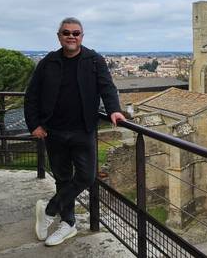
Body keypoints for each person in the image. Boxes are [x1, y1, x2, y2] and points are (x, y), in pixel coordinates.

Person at [24, 17, 125, 246]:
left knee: (86, 176)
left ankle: (49, 209)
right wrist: (34, 125)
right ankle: (67, 224)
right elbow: (32, 96)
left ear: (82, 36)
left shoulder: (94, 60)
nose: (71, 36)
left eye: (76, 33)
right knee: (62, 178)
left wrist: (114, 110)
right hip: (55, 131)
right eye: (66, 33)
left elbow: (107, 87)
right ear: (59, 36)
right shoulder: (48, 62)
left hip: (84, 130)